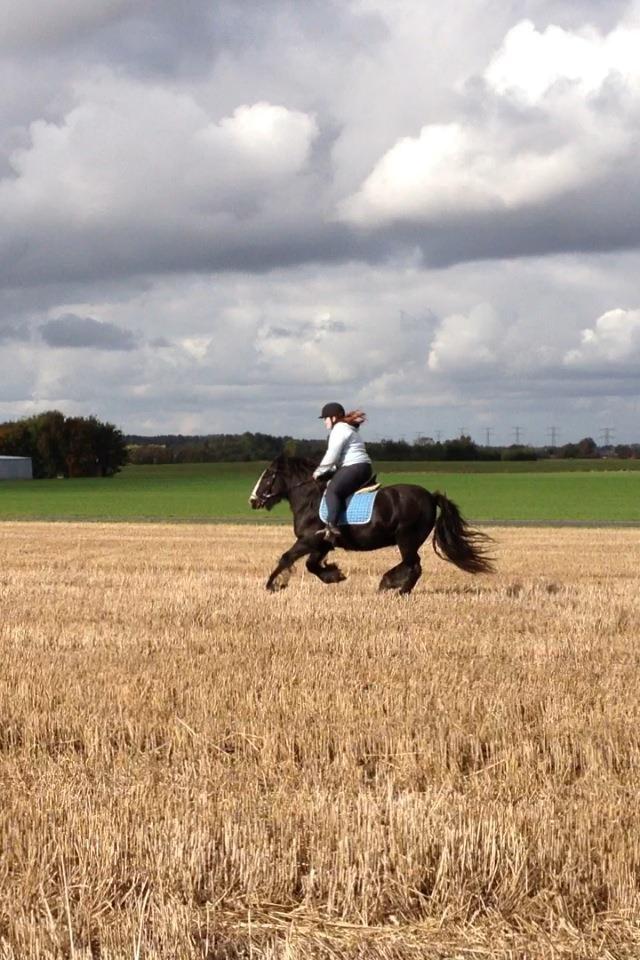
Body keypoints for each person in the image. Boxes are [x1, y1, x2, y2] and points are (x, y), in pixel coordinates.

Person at [313, 402, 373, 542]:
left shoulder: (339, 429)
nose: (324, 422)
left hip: (354, 467)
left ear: (333, 418)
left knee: (332, 491)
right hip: (362, 467)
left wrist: (318, 472)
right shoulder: (347, 429)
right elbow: (339, 459)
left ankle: (331, 526)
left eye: (325, 418)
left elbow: (332, 454)